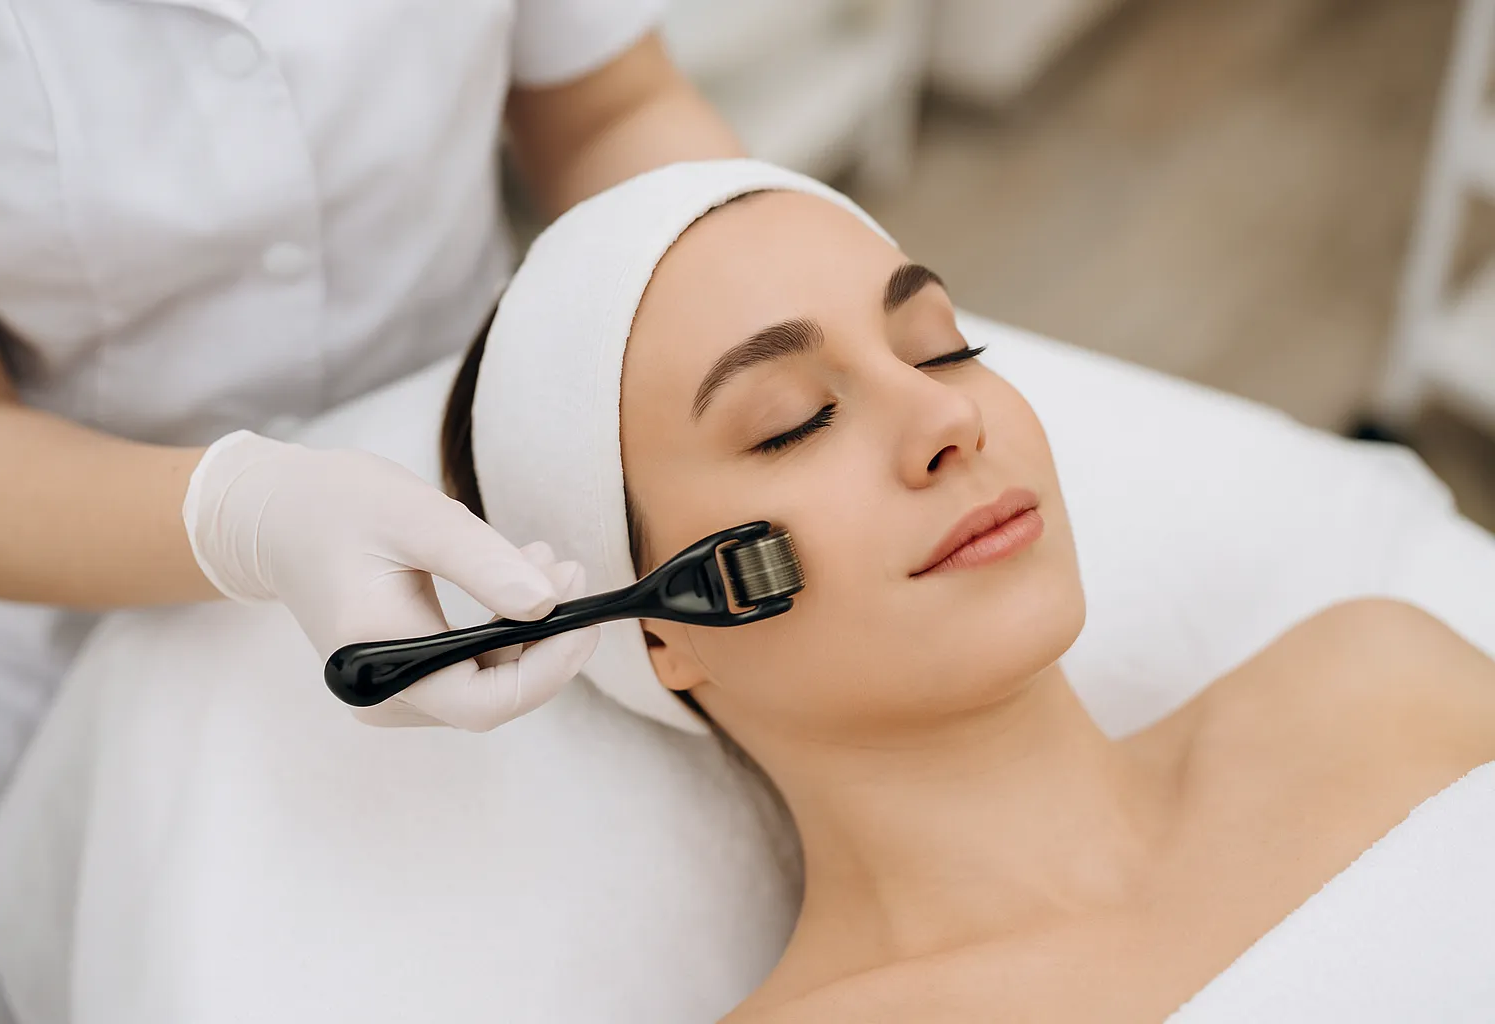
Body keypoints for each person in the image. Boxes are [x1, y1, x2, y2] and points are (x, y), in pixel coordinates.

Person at [443, 164, 1495, 1021]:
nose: (947, 418)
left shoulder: (1375, 681)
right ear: (668, 628)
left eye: (943, 347)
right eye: (792, 420)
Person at [0, 6, 742, 1020]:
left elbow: (610, 110)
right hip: (70, 556)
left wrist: (749, 320)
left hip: (481, 487)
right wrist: (247, 515)